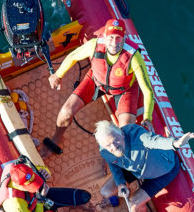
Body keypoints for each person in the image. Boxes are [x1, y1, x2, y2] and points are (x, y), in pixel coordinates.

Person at [41, 19, 155, 155]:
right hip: (96, 81)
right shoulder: (94, 45)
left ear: (124, 38)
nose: (114, 43)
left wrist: (147, 118)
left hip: (125, 90)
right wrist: (58, 75)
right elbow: (73, 56)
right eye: (111, 37)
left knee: (125, 133)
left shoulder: (133, 57)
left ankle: (112, 159)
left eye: (118, 38)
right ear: (105, 37)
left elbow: (147, 90)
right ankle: (57, 139)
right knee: (65, 112)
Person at [94, 121, 194, 212]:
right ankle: (126, 191)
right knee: (105, 191)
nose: (114, 147)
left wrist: (175, 143)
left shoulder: (137, 135)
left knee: (133, 207)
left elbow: (154, 140)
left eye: (115, 140)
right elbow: (114, 164)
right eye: (108, 145)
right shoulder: (104, 150)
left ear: (121, 134)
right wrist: (121, 184)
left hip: (163, 170)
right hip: (136, 170)